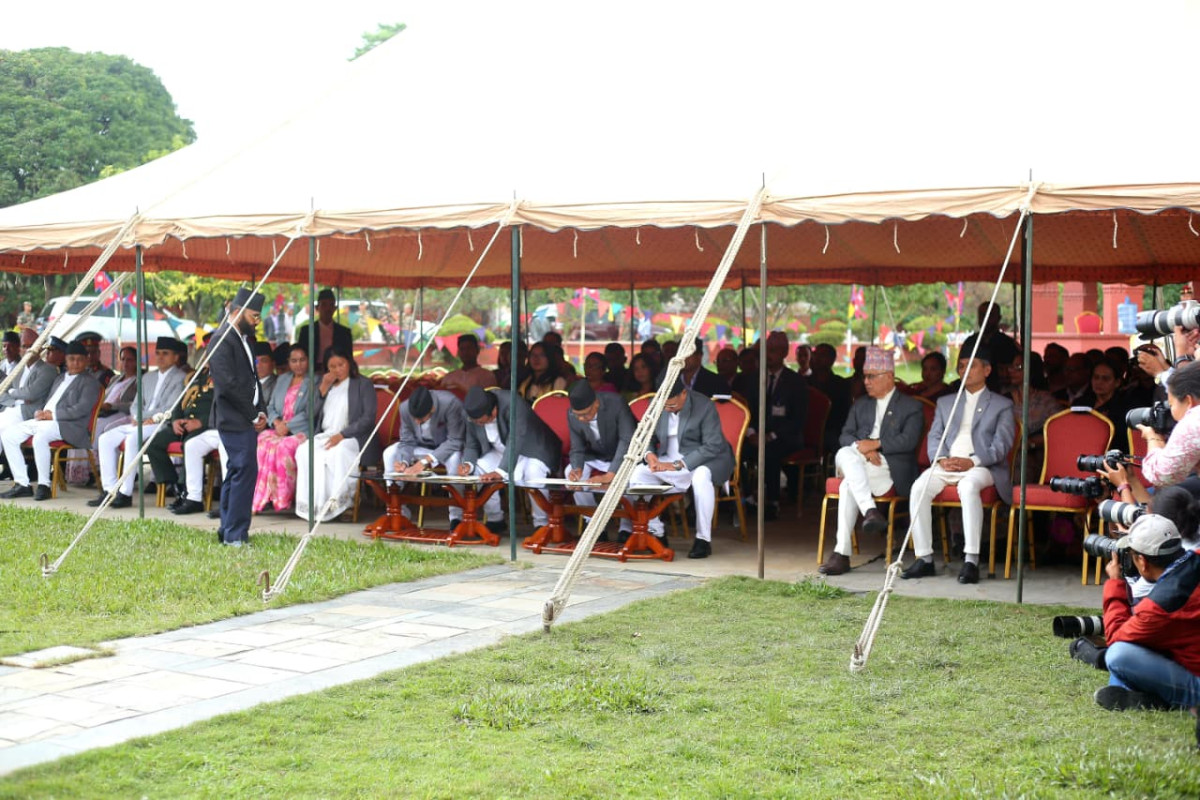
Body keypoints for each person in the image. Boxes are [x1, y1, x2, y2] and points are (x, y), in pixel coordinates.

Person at [901, 349, 1015, 584]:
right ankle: (924, 558)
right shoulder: (946, 403)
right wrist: (941, 459)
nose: (965, 370)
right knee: (918, 488)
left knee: (968, 486)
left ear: (987, 370)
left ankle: (971, 559)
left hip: (982, 466)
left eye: (971, 366)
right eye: (961, 366)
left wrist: (972, 461)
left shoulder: (1002, 405)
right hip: (948, 464)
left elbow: (1001, 446)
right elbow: (934, 437)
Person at [818, 347, 925, 576]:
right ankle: (870, 511)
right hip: (861, 461)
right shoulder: (861, 404)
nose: (865, 381)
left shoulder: (911, 406)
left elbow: (908, 441)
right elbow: (845, 435)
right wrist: (863, 450)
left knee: (847, 482)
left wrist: (875, 444)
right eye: (865, 376)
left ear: (889, 377)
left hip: (890, 467)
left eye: (871, 376)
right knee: (844, 453)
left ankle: (842, 554)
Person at [1094, 514, 1200, 727]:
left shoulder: (1159, 606)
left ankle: (1174, 699)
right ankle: (1146, 695)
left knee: (1118, 656)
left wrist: (1115, 583)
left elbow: (1115, 638)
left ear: (1142, 562)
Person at [627, 377, 734, 559]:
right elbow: (647, 436)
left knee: (701, 477)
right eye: (665, 406)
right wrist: (649, 455)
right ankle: (657, 532)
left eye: (672, 405)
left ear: (684, 393)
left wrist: (678, 465)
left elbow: (713, 445)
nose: (668, 409)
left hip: (704, 459)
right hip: (667, 458)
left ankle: (703, 539)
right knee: (638, 475)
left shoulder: (703, 405)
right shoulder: (656, 404)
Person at [92, 337, 188, 508]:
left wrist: (144, 417)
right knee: (105, 438)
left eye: (165, 354)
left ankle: (125, 493)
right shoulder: (148, 377)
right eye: (158, 353)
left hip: (161, 423)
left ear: (175, 357)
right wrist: (138, 417)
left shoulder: (181, 378)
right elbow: (135, 405)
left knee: (132, 439)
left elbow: (170, 407)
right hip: (139, 422)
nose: (160, 357)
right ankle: (109, 490)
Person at [0, 342, 100, 500]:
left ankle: (44, 485)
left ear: (86, 360)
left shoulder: (90, 382)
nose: (75, 363)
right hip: (45, 421)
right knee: (9, 435)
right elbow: (49, 401)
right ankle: (22, 484)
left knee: (40, 437)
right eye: (72, 359)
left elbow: (81, 409)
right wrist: (40, 412)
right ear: (66, 360)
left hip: (69, 425)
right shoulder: (60, 378)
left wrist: (53, 415)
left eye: (80, 359)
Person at [207, 290, 269, 545]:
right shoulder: (221, 339)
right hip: (233, 418)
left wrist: (261, 410)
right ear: (237, 311)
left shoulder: (245, 340)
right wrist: (253, 415)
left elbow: (254, 380)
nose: (257, 321)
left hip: (247, 416)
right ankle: (236, 535)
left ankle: (227, 529)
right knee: (244, 472)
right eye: (254, 316)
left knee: (236, 472)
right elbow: (228, 386)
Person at [459, 386, 562, 534]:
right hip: (500, 451)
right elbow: (471, 444)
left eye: (481, 422)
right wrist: (467, 464)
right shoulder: (471, 414)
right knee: (480, 468)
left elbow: (515, 439)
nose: (478, 424)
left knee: (533, 473)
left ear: (494, 412)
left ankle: (542, 524)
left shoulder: (513, 403)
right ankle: (495, 519)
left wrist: (500, 471)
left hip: (532, 449)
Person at [295, 347, 377, 522]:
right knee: (304, 451)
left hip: (353, 436)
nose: (337, 370)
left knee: (338, 453)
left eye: (341, 365)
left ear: (349, 363)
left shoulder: (363, 384)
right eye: (332, 366)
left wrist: (342, 435)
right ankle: (315, 505)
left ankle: (344, 504)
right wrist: (323, 388)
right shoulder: (326, 384)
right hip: (327, 434)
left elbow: (368, 418)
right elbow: (310, 414)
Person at [743, 331, 808, 519]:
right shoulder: (754, 378)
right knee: (735, 451)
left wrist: (769, 436)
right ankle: (748, 498)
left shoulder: (796, 382)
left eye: (774, 350)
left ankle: (772, 502)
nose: (769, 355)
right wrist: (751, 433)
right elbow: (748, 410)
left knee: (769, 451)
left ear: (784, 353)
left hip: (786, 436)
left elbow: (797, 420)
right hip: (757, 435)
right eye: (767, 350)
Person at [382, 385, 467, 528]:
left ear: (432, 409)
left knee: (455, 459)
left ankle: (456, 517)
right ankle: (397, 512)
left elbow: (455, 440)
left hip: (446, 447)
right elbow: (406, 441)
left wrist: (425, 461)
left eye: (420, 418)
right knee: (389, 453)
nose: (416, 422)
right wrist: (403, 461)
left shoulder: (450, 403)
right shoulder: (404, 408)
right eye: (414, 417)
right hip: (419, 446)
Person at [245, 344, 315, 515]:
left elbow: (311, 411)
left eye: (302, 360)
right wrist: (276, 422)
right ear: (288, 362)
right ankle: (261, 498)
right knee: (261, 441)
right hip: (279, 428)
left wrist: (288, 426)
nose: (298, 364)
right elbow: (270, 406)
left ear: (308, 360)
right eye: (294, 361)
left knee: (283, 447)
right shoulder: (283, 379)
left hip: (301, 430)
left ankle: (281, 499)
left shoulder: (314, 380)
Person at [566, 380, 636, 533]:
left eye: (585, 414)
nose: (581, 419)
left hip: (623, 456)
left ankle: (626, 528)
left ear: (596, 403)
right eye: (578, 415)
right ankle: (593, 524)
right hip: (597, 456)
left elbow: (627, 440)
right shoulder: (572, 414)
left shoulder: (616, 403)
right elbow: (577, 448)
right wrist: (576, 469)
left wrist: (611, 474)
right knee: (569, 473)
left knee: (632, 476)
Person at [146, 365, 215, 509]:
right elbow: (179, 402)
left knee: (189, 444)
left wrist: (201, 422)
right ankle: (174, 485)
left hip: (205, 426)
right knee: (154, 443)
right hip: (183, 423)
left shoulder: (225, 375)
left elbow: (222, 407)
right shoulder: (197, 375)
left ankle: (186, 491)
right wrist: (175, 420)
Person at [1140, 364, 1200, 488]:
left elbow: (1161, 475)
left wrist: (1153, 438)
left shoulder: (1193, 420)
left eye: (1171, 404)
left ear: (1188, 401)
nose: (1170, 410)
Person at [92, 346, 139, 450]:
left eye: (129, 360)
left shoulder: (139, 380)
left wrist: (112, 406)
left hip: (122, 413)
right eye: (123, 359)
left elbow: (136, 404)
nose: (125, 363)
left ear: (136, 361)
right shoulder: (115, 379)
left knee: (97, 427)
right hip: (103, 412)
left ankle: (94, 458)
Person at [294, 288, 352, 373]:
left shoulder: (344, 332)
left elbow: (349, 358)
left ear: (335, 308)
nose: (327, 309)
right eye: (324, 305)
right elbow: (301, 355)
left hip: (337, 371)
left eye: (331, 305)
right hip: (312, 371)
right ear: (317, 308)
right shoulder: (307, 331)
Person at [807, 343, 851, 454]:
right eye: (815, 354)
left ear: (831, 360)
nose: (816, 358)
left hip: (831, 431)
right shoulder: (804, 383)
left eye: (821, 355)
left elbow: (844, 416)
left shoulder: (841, 385)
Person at [960, 302, 1020, 383]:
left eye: (990, 315)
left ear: (999, 318)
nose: (985, 319)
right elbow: (961, 367)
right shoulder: (970, 342)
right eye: (982, 315)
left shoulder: (1009, 344)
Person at [1090, 360, 1129, 453]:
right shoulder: (1081, 402)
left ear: (1117, 382)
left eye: (1105, 379)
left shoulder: (1125, 407)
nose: (1099, 382)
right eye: (1096, 377)